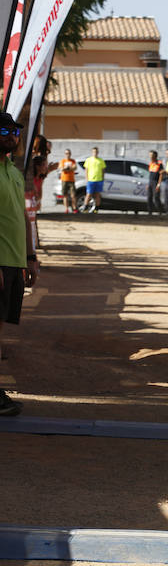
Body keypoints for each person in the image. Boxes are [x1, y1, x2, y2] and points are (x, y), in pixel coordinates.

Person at [0, 112, 39, 416]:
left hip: (14, 262)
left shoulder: (12, 171)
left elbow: (23, 218)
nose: (11, 136)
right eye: (4, 131)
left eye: (14, 131)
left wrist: (30, 257)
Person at [82, 147, 106, 213]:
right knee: (89, 194)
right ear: (92, 152)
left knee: (97, 195)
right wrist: (87, 179)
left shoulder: (101, 160)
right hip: (91, 180)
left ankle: (96, 209)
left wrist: (102, 179)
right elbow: (86, 170)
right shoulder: (88, 160)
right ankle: (85, 208)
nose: (95, 153)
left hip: (99, 180)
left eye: (96, 152)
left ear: (98, 152)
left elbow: (103, 170)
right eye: (94, 152)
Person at [59, 149, 78, 213]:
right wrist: (69, 168)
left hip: (71, 180)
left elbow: (75, 167)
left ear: (70, 154)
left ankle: (74, 208)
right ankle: (66, 209)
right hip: (64, 180)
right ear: (65, 154)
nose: (68, 154)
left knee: (73, 195)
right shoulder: (63, 161)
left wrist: (67, 168)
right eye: (66, 153)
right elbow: (62, 169)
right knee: (65, 195)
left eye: (69, 153)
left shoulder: (73, 161)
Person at [147, 150, 164, 215]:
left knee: (156, 197)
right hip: (150, 182)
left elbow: (161, 174)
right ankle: (150, 211)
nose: (150, 157)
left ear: (155, 156)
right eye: (150, 155)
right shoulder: (151, 164)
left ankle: (160, 211)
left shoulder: (159, 163)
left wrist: (159, 184)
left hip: (156, 182)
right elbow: (150, 174)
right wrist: (148, 184)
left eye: (152, 155)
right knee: (149, 197)